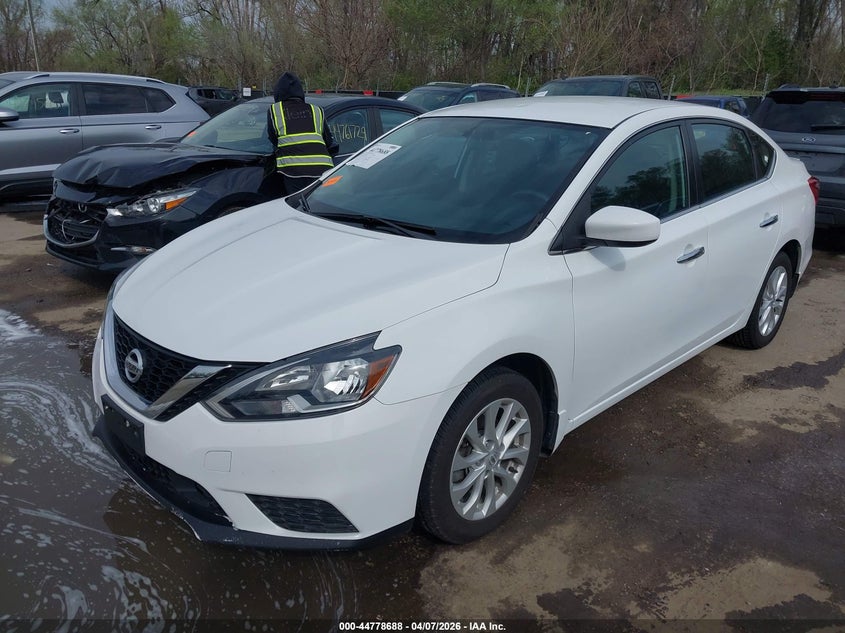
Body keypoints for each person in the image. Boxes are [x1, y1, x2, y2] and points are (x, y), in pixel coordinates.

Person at [266, 71, 338, 195]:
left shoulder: (275, 110)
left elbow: (273, 138)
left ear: (278, 93)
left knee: (298, 206)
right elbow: (328, 141)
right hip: (322, 170)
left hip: (293, 171)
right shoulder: (316, 110)